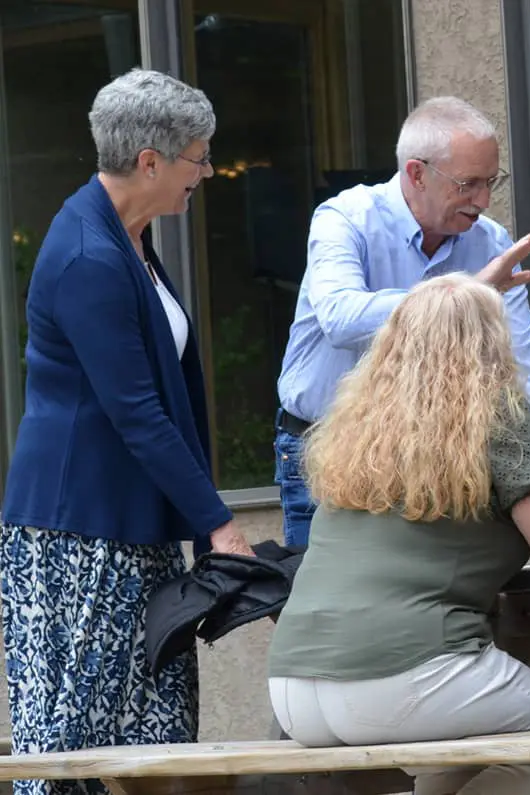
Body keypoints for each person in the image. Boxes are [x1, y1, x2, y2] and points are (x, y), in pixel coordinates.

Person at [0, 68, 253, 795]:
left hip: (133, 533)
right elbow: (136, 411)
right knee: (69, 755)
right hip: (77, 536)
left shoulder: (129, 240)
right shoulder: (88, 254)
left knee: (160, 740)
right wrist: (220, 524)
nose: (205, 172)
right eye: (198, 157)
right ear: (150, 160)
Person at [267, 274, 530, 795]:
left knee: (461, 767)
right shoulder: (496, 418)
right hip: (405, 672)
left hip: (293, 686)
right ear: (494, 343)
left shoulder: (353, 431)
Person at [275, 95, 530, 546]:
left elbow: (528, 375)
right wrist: (468, 292)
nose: (482, 200)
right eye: (468, 184)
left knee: (416, 603)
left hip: (429, 461)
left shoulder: (489, 241)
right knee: (321, 603)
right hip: (321, 450)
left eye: (491, 182)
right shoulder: (346, 218)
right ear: (417, 173)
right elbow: (341, 316)